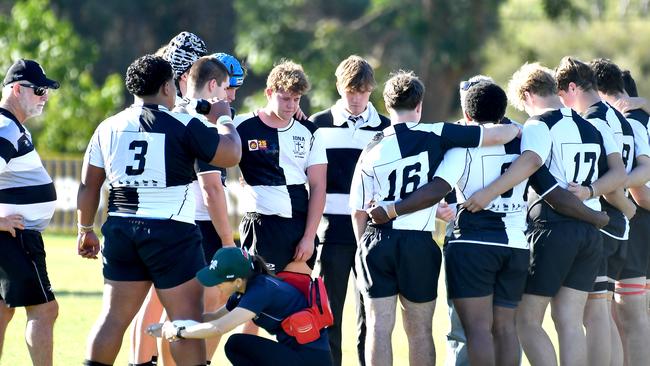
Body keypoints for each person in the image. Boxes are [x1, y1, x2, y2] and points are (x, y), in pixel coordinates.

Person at [368, 81, 609, 366]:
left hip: (472, 246)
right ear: (503, 111)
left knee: (478, 330)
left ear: (467, 117)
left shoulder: (460, 149)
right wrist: (596, 216)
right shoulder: (523, 146)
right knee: (506, 328)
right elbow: (551, 191)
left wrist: (394, 209)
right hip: (516, 246)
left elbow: (436, 188)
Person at [76, 54, 241, 366]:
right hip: (171, 231)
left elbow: (88, 186)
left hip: (122, 229)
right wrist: (223, 118)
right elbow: (231, 153)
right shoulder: (182, 123)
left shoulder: (107, 126)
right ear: (168, 87)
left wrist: (85, 230)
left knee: (113, 319)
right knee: (186, 323)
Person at [349, 70, 520, 366]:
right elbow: (504, 133)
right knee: (419, 330)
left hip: (377, 240)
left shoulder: (371, 147)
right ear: (420, 104)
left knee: (379, 327)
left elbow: (358, 210)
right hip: (418, 242)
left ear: (387, 106)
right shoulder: (437, 132)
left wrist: (362, 248)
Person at [461, 62, 624, 366]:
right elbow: (618, 174)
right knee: (570, 320)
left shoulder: (538, 124)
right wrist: (593, 202)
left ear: (527, 94)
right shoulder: (589, 124)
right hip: (589, 235)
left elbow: (531, 162)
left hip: (555, 229)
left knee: (527, 320)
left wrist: (488, 193)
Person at [554, 56, 646, 366]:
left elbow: (610, 176)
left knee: (595, 316)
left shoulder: (590, 121)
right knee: (605, 315)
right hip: (619, 224)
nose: (561, 103)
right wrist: (626, 206)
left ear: (571, 88)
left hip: (600, 224)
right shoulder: (621, 119)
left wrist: (611, 198)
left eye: (561, 95)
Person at [129, 31, 211, 366]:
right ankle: (142, 360)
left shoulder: (158, 91)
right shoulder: (171, 99)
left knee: (151, 298)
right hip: (162, 209)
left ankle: (143, 360)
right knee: (155, 298)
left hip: (142, 207)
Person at [310, 55, 390, 366]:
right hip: (330, 232)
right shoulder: (317, 124)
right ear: (338, 88)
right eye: (349, 91)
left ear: (372, 90)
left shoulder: (386, 128)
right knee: (328, 313)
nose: (356, 98)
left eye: (363, 91)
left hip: (373, 232)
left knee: (371, 314)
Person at [148, 247, 332, 366]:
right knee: (237, 345)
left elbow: (219, 327)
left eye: (219, 281)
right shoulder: (244, 289)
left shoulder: (260, 290)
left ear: (237, 280)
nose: (215, 285)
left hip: (310, 360)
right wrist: (169, 326)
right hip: (297, 354)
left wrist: (179, 332)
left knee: (236, 345)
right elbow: (214, 318)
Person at [233, 60, 327, 274]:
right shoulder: (241, 125)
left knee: (295, 300)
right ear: (269, 92)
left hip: (298, 226)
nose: (291, 106)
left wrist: (309, 237)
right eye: (285, 98)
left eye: (296, 99)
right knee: (258, 299)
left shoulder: (309, 131)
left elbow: (319, 187)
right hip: (260, 225)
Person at [0, 59, 59, 365]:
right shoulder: (6, 127)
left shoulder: (11, 126)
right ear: (16, 89)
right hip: (15, 236)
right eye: (38, 90)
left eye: (45, 91)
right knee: (44, 310)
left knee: (2, 310)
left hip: (13, 235)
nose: (44, 97)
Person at [176, 56, 235, 363]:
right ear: (213, 86)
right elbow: (211, 188)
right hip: (201, 226)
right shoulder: (201, 122)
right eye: (226, 88)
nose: (229, 96)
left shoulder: (175, 112)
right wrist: (228, 242)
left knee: (176, 314)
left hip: (175, 222)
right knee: (210, 306)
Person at [592, 59, 650, 366]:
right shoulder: (640, 116)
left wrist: (617, 192)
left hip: (633, 218)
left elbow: (640, 193)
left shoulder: (624, 120)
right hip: (634, 217)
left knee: (629, 313)